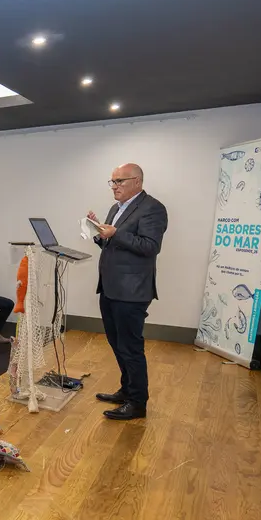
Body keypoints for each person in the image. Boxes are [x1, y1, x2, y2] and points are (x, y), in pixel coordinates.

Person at [89, 163, 168, 421]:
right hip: (110, 287)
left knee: (131, 347)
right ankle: (126, 390)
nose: (114, 187)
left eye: (119, 181)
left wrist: (115, 233)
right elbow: (112, 244)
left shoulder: (153, 208)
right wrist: (98, 234)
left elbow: (149, 246)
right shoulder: (116, 208)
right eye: (112, 182)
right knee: (116, 343)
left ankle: (137, 403)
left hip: (132, 291)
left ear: (137, 181)